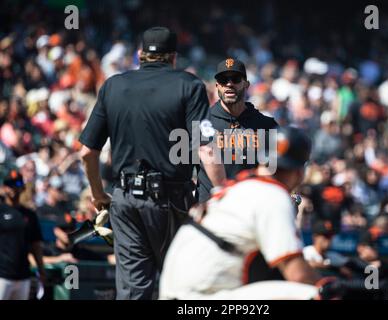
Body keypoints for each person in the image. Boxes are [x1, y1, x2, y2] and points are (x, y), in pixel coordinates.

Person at [79, 27, 224, 300]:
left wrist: (98, 194)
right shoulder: (189, 85)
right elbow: (207, 149)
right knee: (180, 285)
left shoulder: (113, 85)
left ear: (139, 55)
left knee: (134, 291)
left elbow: (87, 152)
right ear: (173, 58)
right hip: (171, 200)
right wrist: (224, 192)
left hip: (124, 199)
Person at [160, 126, 329, 300]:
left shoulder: (241, 185)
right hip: (197, 298)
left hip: (173, 290)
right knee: (315, 294)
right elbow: (298, 275)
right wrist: (329, 285)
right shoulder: (272, 195)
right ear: (300, 172)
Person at [196, 58, 278, 203]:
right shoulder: (201, 123)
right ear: (217, 85)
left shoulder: (266, 125)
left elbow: (274, 172)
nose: (229, 84)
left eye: (235, 79)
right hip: (211, 210)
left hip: (248, 209)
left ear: (246, 84)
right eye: (223, 80)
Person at [0, 168, 46, 300]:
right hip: (2, 275)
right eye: (10, 184)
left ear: (23, 188)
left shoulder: (29, 215)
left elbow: (35, 244)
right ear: (4, 187)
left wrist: (41, 269)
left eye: (18, 184)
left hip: (23, 275)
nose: (13, 188)